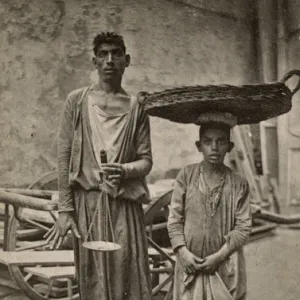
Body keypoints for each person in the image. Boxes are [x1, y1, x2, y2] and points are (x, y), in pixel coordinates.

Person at [51, 32, 153, 300]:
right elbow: (64, 157)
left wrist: (125, 170)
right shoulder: (77, 101)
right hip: (89, 205)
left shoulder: (136, 108)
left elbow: (146, 161)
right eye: (104, 54)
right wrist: (65, 209)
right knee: (94, 280)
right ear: (94, 61)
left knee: (128, 275)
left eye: (116, 54)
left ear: (126, 60)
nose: (110, 60)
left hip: (125, 206)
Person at [167, 112, 252, 300]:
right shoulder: (186, 176)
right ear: (199, 146)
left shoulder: (239, 182)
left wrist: (218, 257)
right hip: (189, 264)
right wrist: (183, 252)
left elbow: (243, 228)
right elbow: (174, 220)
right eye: (208, 141)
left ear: (230, 146)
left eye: (221, 142)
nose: (214, 148)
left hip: (224, 264)